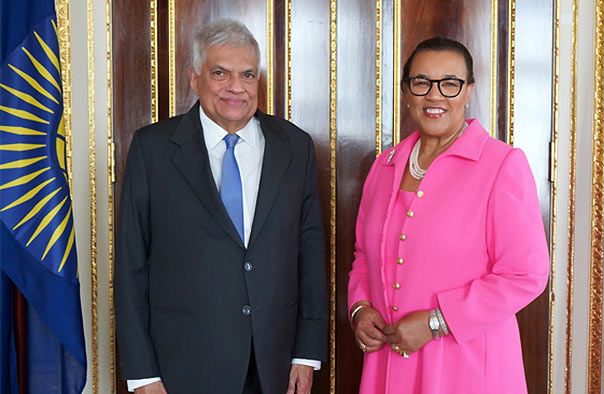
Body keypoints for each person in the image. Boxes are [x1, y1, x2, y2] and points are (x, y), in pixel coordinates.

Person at [114, 19, 328, 394]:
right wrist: (142, 374)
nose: (236, 88)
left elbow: (309, 254)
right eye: (220, 73)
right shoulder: (153, 149)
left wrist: (306, 354)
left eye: (247, 75)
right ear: (195, 79)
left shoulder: (295, 146)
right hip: (182, 365)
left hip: (273, 363)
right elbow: (131, 265)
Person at [347, 37, 549, 393]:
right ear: (406, 91)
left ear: (468, 90)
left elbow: (525, 274)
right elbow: (364, 256)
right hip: (388, 363)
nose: (435, 96)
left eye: (450, 83)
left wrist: (436, 323)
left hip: (466, 367)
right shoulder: (384, 166)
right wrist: (360, 308)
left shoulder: (501, 165)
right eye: (422, 82)